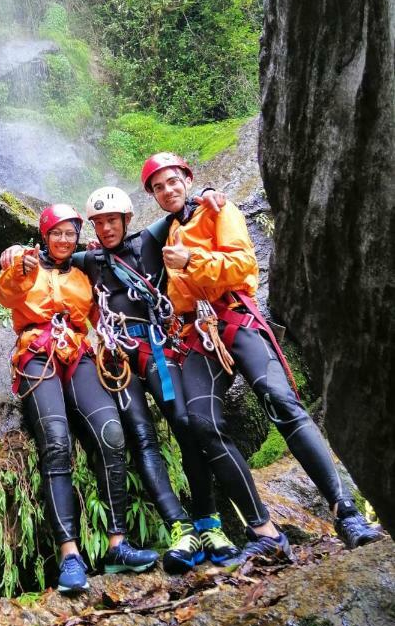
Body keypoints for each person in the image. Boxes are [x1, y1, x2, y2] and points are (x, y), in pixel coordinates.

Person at [141, 151, 382, 559]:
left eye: (173, 181)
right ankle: (264, 531)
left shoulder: (220, 210)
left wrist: (192, 259)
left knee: (281, 400)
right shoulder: (161, 233)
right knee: (202, 424)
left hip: (234, 317)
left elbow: (243, 264)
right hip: (197, 333)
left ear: (187, 178)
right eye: (158, 187)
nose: (168, 190)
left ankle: (346, 513)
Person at [0, 203, 159, 594]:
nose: (65, 240)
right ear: (44, 235)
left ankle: (118, 545)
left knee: (111, 434)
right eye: (57, 233)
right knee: (56, 443)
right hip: (37, 352)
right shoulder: (27, 265)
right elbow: (3, 293)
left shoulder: (84, 273)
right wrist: (17, 263)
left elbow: (104, 313)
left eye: (71, 233)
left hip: (79, 352)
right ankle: (70, 554)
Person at [74, 186, 240, 573]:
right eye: (98, 223)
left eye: (112, 220)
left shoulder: (149, 241)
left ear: (125, 220)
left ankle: (209, 522)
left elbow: (184, 208)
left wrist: (207, 193)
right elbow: (55, 255)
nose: (106, 228)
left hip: (155, 346)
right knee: (142, 437)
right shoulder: (91, 259)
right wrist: (24, 253)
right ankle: (179, 528)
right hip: (119, 356)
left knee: (185, 424)